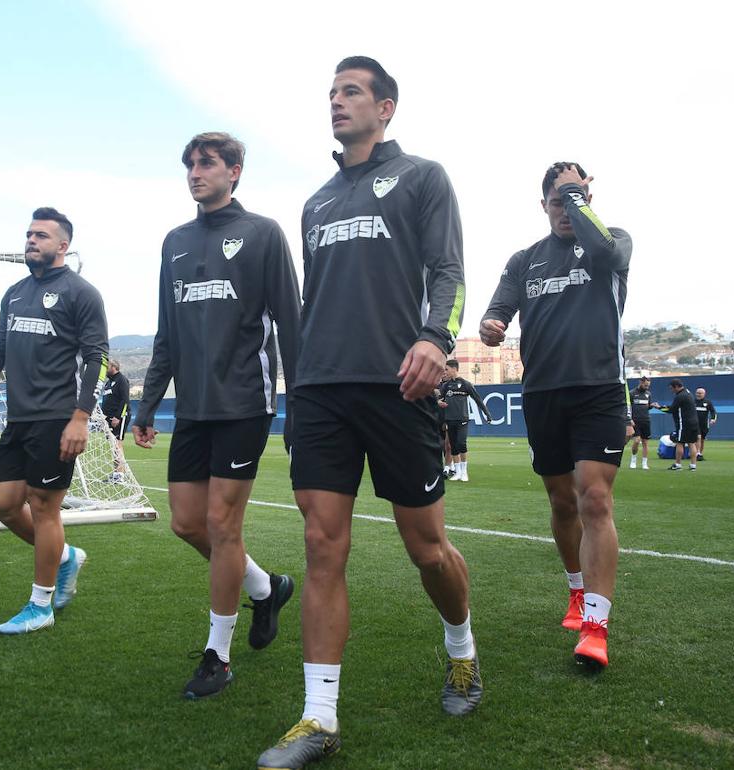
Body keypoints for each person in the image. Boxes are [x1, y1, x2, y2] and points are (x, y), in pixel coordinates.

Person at [258, 57, 477, 769]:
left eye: (350, 92)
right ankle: (319, 719)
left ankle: (461, 651)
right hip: (320, 389)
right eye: (330, 93)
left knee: (427, 550)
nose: (336, 102)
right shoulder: (316, 202)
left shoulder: (422, 178)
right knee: (323, 547)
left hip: (399, 388)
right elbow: (307, 305)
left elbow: (449, 271)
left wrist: (434, 339)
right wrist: (295, 389)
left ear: (386, 106)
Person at [132, 131, 301, 700]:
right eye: (190, 165)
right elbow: (167, 332)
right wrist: (148, 403)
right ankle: (265, 586)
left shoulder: (262, 234)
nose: (195, 173)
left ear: (234, 172)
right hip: (194, 408)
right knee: (186, 522)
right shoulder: (174, 242)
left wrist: (299, 402)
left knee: (224, 525)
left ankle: (218, 655)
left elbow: (290, 323)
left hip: (244, 403)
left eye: (207, 164)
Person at [480, 160, 633, 671]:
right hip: (543, 393)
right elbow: (497, 310)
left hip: (599, 390)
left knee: (594, 498)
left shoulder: (612, 242)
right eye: (557, 200)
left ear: (588, 198)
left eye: (575, 198)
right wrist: (492, 325)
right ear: (542, 205)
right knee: (562, 501)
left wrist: (578, 198)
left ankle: (596, 625)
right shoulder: (525, 260)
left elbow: (605, 249)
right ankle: (574, 590)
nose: (566, 209)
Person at [0, 207, 108, 635]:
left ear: (63, 246)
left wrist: (80, 418)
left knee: (44, 506)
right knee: (5, 504)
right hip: (18, 418)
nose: (31, 241)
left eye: (41, 235)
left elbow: (96, 356)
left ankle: (41, 605)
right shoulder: (15, 293)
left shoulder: (82, 293)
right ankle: (64, 557)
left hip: (57, 417)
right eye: (28, 234)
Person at [440, 359, 492, 482]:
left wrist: (487, 414)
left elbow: (478, 400)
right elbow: (439, 399)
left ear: (454, 369)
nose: (445, 372)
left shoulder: (465, 384)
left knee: (461, 443)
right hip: (449, 420)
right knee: (453, 447)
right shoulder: (446, 386)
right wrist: (438, 402)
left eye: (446, 369)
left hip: (462, 419)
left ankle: (464, 472)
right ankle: (457, 473)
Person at [100, 360, 130, 482]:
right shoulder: (108, 383)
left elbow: (125, 400)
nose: (105, 369)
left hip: (118, 418)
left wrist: (118, 417)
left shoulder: (121, 380)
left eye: (107, 367)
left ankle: (120, 475)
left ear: (114, 367)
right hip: (108, 419)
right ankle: (116, 472)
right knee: (113, 446)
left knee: (117, 444)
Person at [660, 379, 699, 471]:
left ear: (676, 386)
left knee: (680, 443)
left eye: (672, 388)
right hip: (694, 422)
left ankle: (678, 464)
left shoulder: (680, 396)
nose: (671, 390)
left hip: (684, 423)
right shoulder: (688, 392)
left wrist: (659, 407)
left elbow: (671, 410)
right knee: (691, 443)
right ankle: (693, 465)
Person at [628, 376, 654, 469]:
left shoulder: (648, 394)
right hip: (635, 421)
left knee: (645, 443)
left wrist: (652, 405)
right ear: (641, 382)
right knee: (636, 440)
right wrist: (629, 419)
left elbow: (648, 406)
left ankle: (644, 463)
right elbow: (628, 407)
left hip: (646, 420)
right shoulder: (632, 393)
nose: (647, 387)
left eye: (648, 385)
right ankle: (633, 460)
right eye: (646, 385)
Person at [694, 386, 716, 461]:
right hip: (694, 424)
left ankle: (700, 453)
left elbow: (713, 411)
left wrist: (713, 419)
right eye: (697, 393)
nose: (698, 394)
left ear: (704, 394)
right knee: (698, 437)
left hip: (704, 424)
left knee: (702, 439)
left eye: (700, 393)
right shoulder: (692, 401)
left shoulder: (708, 402)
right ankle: (697, 454)